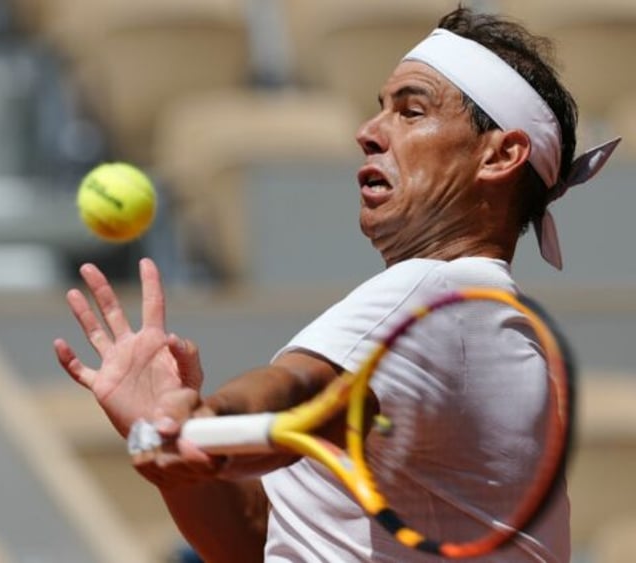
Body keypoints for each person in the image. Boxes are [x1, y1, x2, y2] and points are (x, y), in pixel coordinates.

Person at [54, 7, 619, 562]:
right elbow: (257, 538)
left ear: (500, 155)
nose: (368, 133)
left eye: (412, 112)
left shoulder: (434, 294)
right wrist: (187, 457)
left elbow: (299, 388)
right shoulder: (486, 323)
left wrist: (211, 421)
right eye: (380, 111)